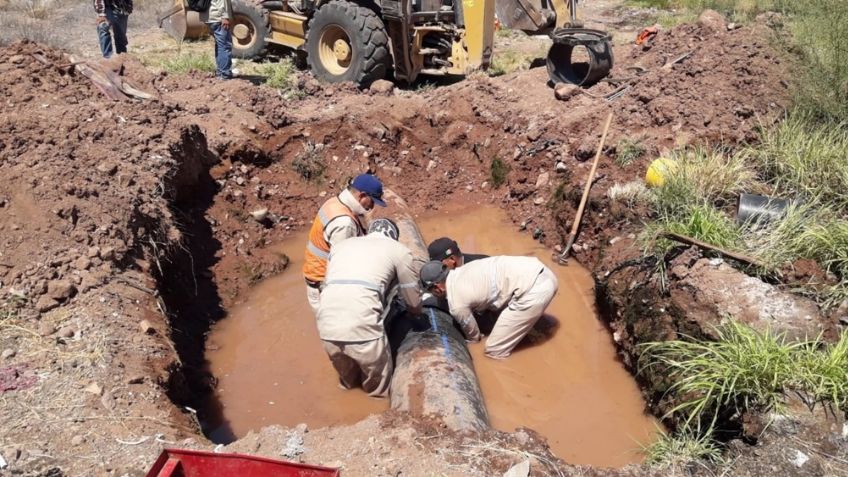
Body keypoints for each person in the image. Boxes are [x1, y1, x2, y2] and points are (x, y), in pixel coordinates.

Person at [316, 219, 422, 397]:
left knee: (348, 383)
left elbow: (329, 284)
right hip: (363, 325)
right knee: (378, 391)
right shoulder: (399, 250)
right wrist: (417, 315)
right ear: (394, 236)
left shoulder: (341, 246)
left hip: (326, 325)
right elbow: (411, 297)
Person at [419, 256, 558, 359]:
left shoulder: (456, 304)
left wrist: (472, 343)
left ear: (438, 287)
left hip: (535, 290)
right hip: (541, 270)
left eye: (431, 291)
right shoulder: (463, 269)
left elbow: (474, 337)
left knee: (493, 350)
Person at [302, 174, 387, 314]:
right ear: (362, 196)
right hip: (325, 285)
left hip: (315, 276)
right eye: (372, 201)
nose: (372, 206)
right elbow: (342, 267)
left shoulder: (334, 203)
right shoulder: (344, 223)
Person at [201, 0, 234, 79]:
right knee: (225, 46)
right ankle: (225, 74)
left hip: (209, 16)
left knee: (220, 45)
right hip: (217, 17)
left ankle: (220, 72)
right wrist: (224, 16)